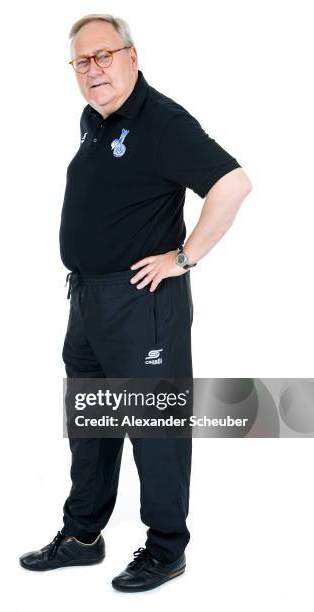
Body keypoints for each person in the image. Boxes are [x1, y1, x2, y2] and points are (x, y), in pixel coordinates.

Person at [19, 13, 252, 592]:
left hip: (142, 305)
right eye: (82, 61)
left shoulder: (162, 121)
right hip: (88, 303)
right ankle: (82, 536)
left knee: (155, 426)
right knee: (91, 425)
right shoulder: (95, 119)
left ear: (132, 56)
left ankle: (166, 548)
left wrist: (184, 257)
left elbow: (233, 183)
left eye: (104, 56)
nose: (92, 70)